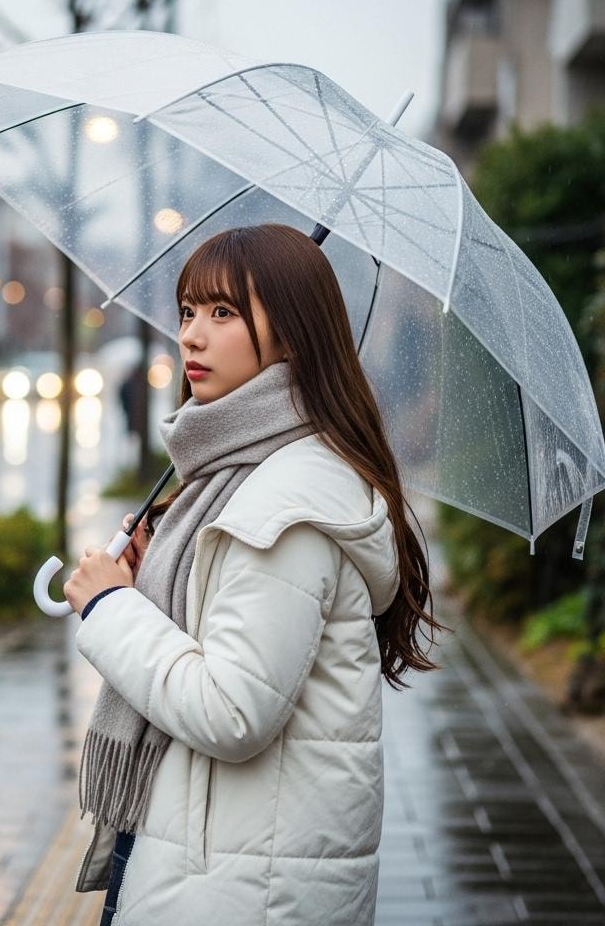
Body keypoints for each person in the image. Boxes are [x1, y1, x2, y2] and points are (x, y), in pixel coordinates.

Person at [63, 224, 438, 926]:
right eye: (188, 311)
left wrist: (111, 607)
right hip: (219, 857)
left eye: (223, 312)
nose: (192, 335)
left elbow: (232, 711)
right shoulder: (244, 474)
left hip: (241, 885)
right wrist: (149, 586)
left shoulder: (285, 503)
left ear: (292, 334)